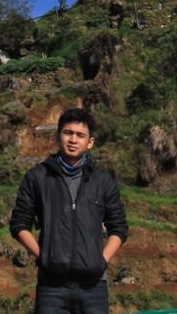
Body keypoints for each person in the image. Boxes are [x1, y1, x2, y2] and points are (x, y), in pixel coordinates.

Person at [9, 108, 128, 314]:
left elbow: (118, 226)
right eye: (68, 133)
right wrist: (44, 256)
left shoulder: (102, 180)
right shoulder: (38, 177)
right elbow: (19, 224)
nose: (73, 139)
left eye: (80, 135)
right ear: (58, 136)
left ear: (90, 142)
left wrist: (102, 260)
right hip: (52, 288)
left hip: (94, 287)